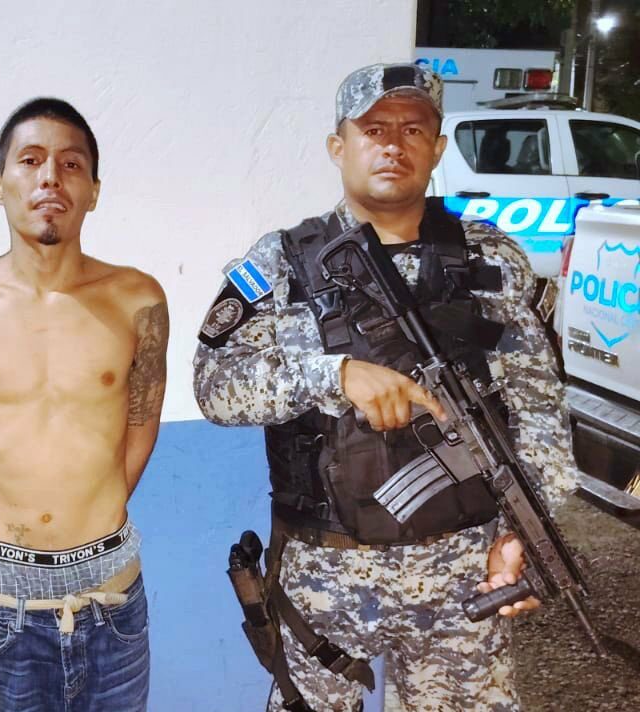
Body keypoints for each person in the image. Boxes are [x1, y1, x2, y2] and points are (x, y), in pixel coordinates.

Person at [192, 64, 576, 711]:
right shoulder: (281, 262)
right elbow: (214, 386)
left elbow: (539, 409)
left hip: (463, 573)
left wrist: (527, 540)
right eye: (373, 130)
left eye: (413, 129)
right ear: (337, 146)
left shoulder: (493, 259)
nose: (394, 145)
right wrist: (333, 376)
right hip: (324, 576)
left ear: (439, 146)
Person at [0, 97, 168, 711]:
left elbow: (141, 425)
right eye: (30, 161)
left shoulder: (139, 299)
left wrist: (91, 522)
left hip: (111, 601)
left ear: (93, 191)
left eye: (71, 164)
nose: (50, 177)